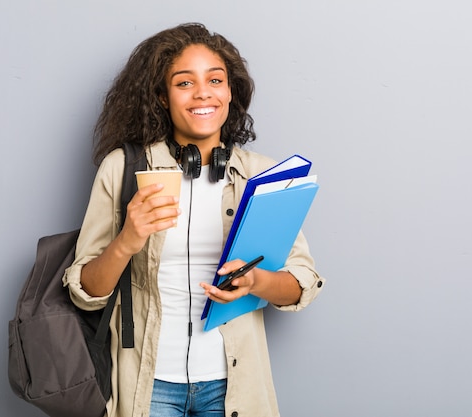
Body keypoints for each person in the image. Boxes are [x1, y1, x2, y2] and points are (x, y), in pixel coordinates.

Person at [63, 22, 325, 417]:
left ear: (230, 92)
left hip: (233, 385)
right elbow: (86, 292)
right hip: (147, 387)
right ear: (161, 97)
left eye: (215, 80)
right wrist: (128, 240)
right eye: (184, 83)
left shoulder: (265, 177)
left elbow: (301, 285)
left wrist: (257, 282)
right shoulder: (124, 170)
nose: (203, 92)